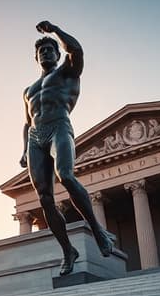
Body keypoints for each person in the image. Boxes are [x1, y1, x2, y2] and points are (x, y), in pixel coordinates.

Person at [19, 20, 116, 276]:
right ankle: (67, 251)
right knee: (45, 199)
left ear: (58, 53)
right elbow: (27, 122)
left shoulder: (66, 72)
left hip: (59, 126)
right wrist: (22, 150)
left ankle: (97, 230)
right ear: (36, 57)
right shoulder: (28, 90)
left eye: (51, 50)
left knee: (66, 175)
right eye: (42, 51)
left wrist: (55, 31)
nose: (46, 53)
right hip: (35, 137)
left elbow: (77, 50)